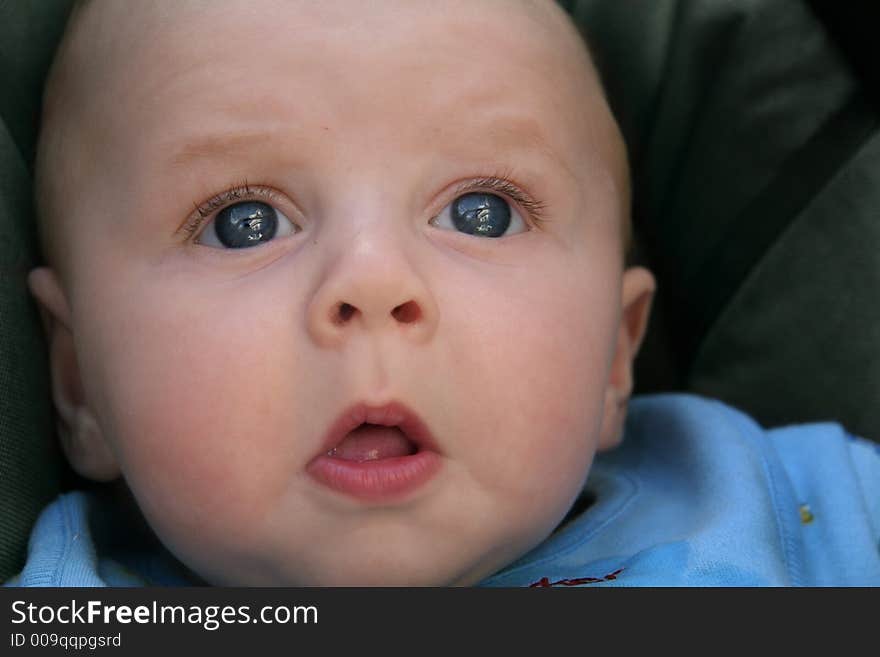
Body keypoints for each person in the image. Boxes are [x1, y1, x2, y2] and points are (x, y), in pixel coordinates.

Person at [6, 0, 879, 587]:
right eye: (245, 222)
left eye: (482, 212)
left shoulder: (796, 503)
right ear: (80, 384)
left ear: (615, 354)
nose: (375, 281)